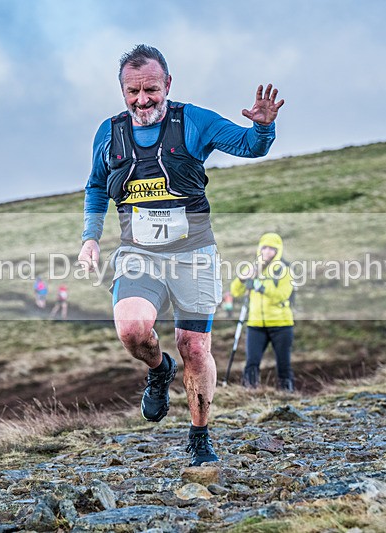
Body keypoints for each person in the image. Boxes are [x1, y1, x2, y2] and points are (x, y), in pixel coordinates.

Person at [77, 45, 284, 466]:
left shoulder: (193, 121)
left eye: (151, 89)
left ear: (167, 84)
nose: (142, 100)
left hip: (193, 254)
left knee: (194, 346)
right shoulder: (109, 132)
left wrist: (262, 129)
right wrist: (91, 237)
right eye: (132, 92)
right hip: (139, 252)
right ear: (122, 90)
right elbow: (97, 187)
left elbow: (249, 146)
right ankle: (158, 369)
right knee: (133, 330)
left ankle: (199, 435)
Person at [230, 233, 295, 391]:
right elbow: (235, 291)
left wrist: (261, 286)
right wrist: (243, 278)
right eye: (264, 247)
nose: (267, 252)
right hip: (256, 324)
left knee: (283, 363)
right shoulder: (252, 268)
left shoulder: (283, 270)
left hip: (281, 325)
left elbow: (282, 295)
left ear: (277, 251)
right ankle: (249, 392)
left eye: (271, 249)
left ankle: (287, 393)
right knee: (252, 362)